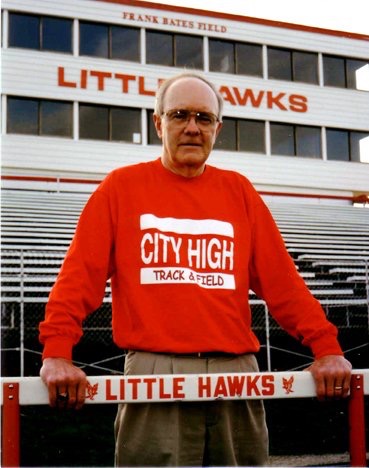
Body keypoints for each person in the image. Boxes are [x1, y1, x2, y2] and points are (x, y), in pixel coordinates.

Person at [39, 71, 352, 467]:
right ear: (158, 123)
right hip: (155, 368)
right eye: (179, 115)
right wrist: (57, 353)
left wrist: (326, 348)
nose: (192, 128)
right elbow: (78, 279)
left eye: (203, 118)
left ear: (217, 129)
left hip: (236, 371)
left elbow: (283, 284)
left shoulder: (239, 191)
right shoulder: (120, 188)